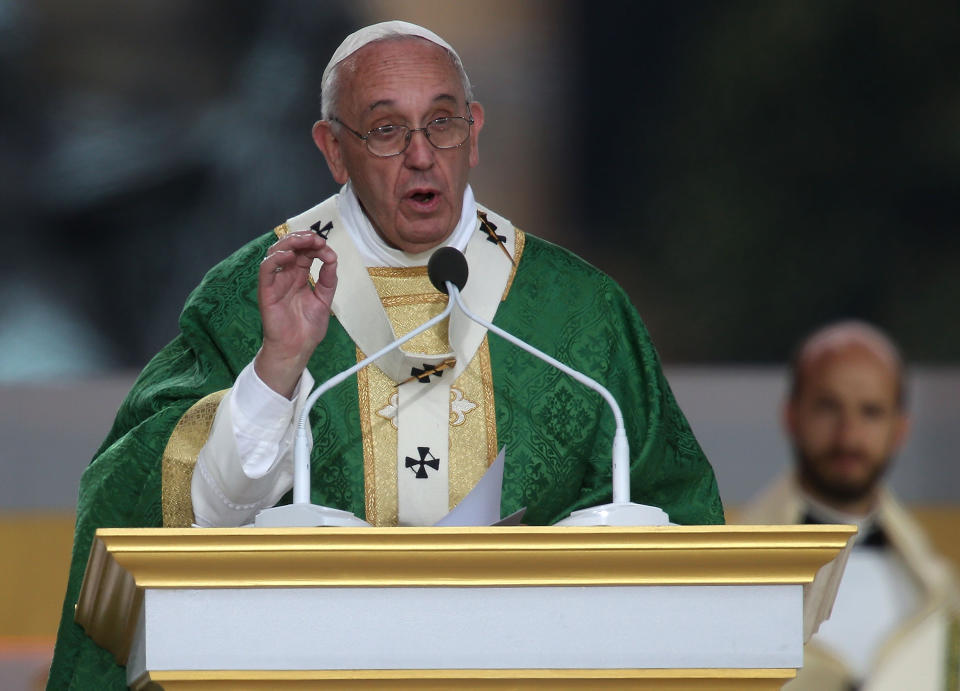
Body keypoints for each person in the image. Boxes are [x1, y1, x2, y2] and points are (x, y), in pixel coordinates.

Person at [48, 21, 723, 687]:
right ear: (334, 150)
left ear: (475, 131)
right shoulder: (256, 292)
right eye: (387, 129)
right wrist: (276, 370)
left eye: (443, 123)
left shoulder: (578, 311)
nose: (422, 155)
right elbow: (145, 507)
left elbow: (675, 522)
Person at [738, 321, 959, 690]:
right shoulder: (727, 577)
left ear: (901, 429)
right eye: (828, 407)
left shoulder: (941, 594)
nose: (848, 435)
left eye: (870, 411)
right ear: (791, 415)